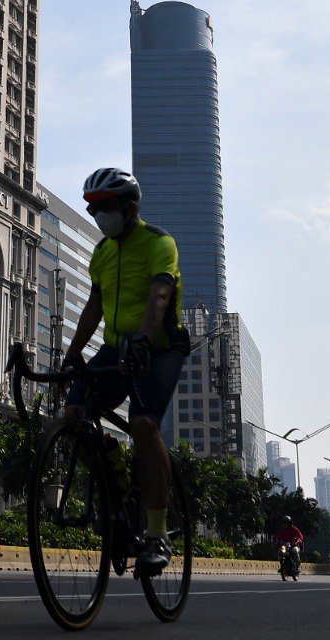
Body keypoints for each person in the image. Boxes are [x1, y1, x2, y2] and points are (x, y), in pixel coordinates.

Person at [61, 167, 189, 578]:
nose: (99, 215)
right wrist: (71, 354)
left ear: (130, 208)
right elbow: (93, 307)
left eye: (106, 208)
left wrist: (145, 341)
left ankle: (156, 534)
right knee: (74, 417)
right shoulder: (102, 253)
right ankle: (117, 495)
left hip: (162, 347)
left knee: (143, 426)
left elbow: (160, 294)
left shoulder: (158, 243)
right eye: (92, 209)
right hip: (116, 347)